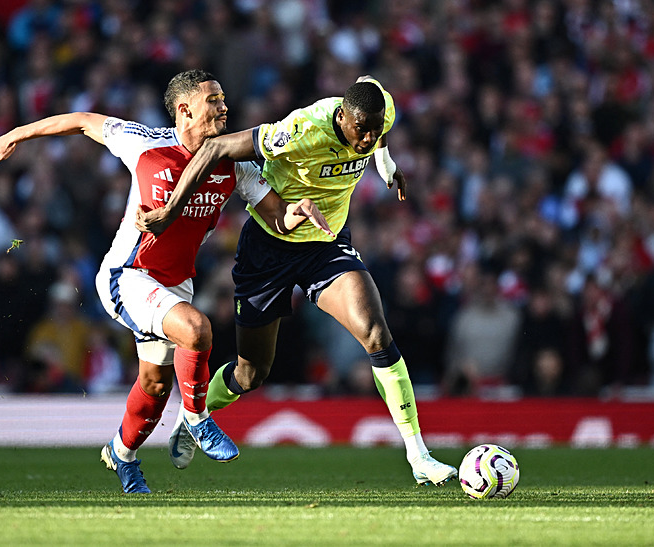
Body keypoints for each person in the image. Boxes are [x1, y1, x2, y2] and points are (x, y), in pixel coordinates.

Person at [0, 69, 332, 493]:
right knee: (197, 329)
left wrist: (298, 211)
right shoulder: (146, 142)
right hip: (128, 275)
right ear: (185, 110)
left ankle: (121, 454)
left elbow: (276, 215)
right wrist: (16, 134)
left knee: (155, 384)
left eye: (223, 99)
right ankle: (199, 421)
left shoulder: (233, 161)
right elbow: (82, 121)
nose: (224, 107)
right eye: (214, 101)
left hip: (175, 283)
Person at [136, 76, 458, 486]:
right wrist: (169, 211)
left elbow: (366, 83)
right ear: (341, 116)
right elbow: (216, 147)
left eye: (376, 132)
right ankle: (194, 413)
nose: (366, 140)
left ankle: (420, 458)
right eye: (362, 133)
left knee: (375, 332)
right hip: (269, 245)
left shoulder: (378, 111)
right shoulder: (300, 129)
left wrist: (384, 158)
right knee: (252, 373)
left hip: (325, 242)